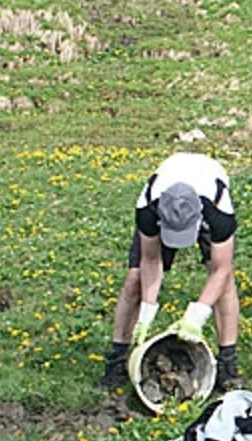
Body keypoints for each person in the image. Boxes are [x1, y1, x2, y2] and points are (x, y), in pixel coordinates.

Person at [97, 152, 243, 392]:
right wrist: (147, 310)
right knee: (134, 279)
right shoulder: (148, 207)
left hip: (207, 183)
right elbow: (151, 260)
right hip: (166, 186)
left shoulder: (217, 210)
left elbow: (221, 269)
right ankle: (117, 360)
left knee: (224, 284)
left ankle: (228, 364)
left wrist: (197, 315)